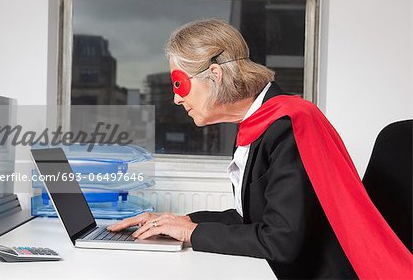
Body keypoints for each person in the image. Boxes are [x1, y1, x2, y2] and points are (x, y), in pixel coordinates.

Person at [108, 19, 412, 279]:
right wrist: (179, 221)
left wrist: (190, 233)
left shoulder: (290, 123)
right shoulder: (259, 123)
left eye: (179, 85)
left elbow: (279, 240)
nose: (176, 99)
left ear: (215, 75)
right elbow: (258, 220)